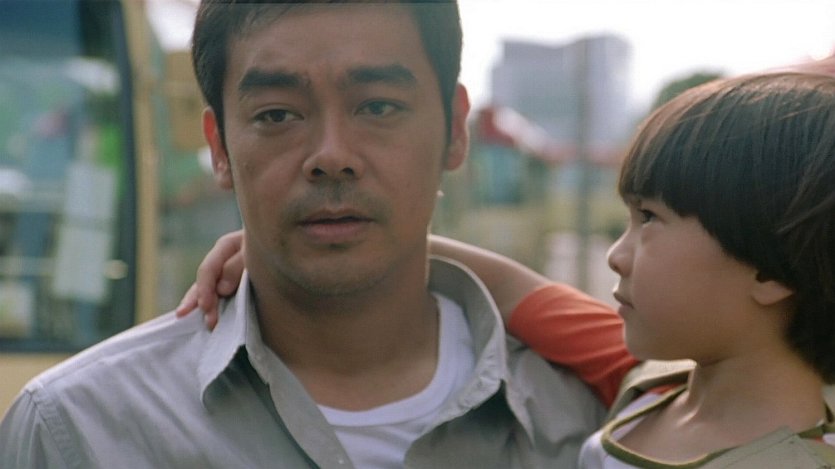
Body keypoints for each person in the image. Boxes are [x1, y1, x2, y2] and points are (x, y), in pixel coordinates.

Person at [0, 2, 637, 467]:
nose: (332, 155)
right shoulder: (76, 432)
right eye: (277, 114)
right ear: (220, 148)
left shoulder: (600, 424)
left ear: (454, 130)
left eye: (378, 107)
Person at [183, 71, 835, 468]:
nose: (616, 254)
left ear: (768, 269)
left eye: (650, 219)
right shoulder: (652, 384)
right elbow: (517, 291)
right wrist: (301, 241)